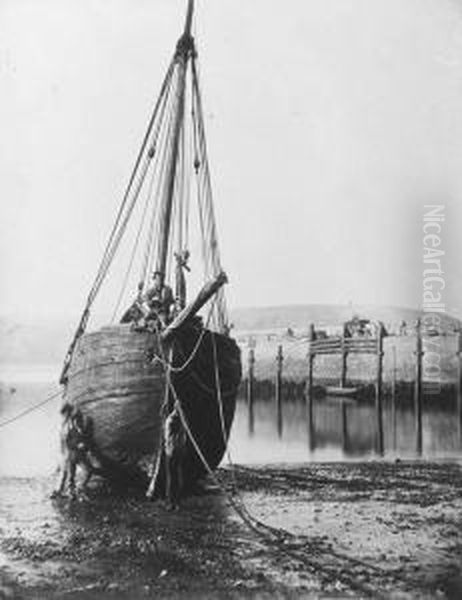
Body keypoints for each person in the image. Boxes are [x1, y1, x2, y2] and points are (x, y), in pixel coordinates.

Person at [52, 404, 100, 499]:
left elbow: (81, 437)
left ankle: (75, 490)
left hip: (74, 454)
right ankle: (67, 492)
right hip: (71, 454)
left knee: (82, 471)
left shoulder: (72, 424)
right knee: (69, 474)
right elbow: (67, 441)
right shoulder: (68, 425)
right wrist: (78, 445)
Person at [164, 405, 187, 510]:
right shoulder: (173, 420)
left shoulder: (178, 419)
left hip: (177, 451)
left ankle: (175, 502)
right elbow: (171, 433)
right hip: (172, 451)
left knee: (176, 477)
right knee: (173, 478)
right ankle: (171, 502)